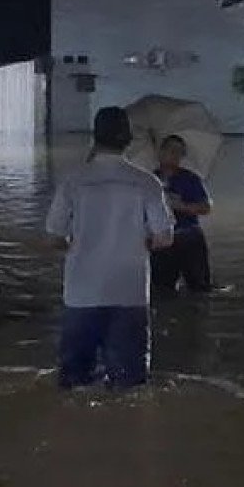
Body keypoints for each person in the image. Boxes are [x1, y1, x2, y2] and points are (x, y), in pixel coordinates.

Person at [46, 106, 175, 389]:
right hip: (129, 292)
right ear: (128, 139)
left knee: (74, 383)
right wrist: (139, 242)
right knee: (130, 386)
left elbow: (54, 238)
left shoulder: (73, 181)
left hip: (81, 292)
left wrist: (78, 245)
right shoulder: (147, 182)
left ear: (95, 137)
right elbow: (164, 238)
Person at [151, 135, 213, 294]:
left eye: (179, 152)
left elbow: (205, 208)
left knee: (200, 288)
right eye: (171, 150)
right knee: (162, 290)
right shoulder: (149, 180)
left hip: (189, 237)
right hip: (161, 240)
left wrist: (181, 206)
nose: (175, 155)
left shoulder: (190, 179)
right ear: (161, 152)